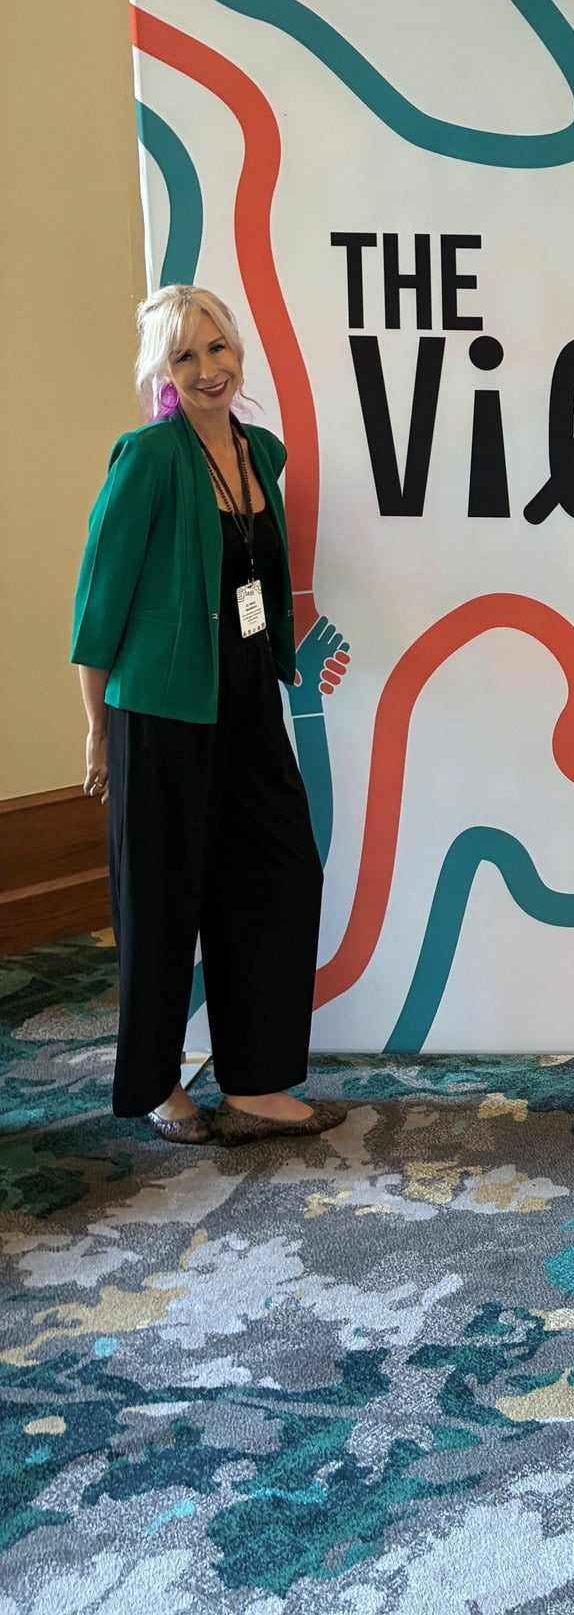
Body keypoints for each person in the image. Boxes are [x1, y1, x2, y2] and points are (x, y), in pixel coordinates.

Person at [71, 284, 346, 1146]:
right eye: (184, 356)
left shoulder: (262, 453)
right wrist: (98, 729)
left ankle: (259, 1084)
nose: (206, 369)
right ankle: (159, 1088)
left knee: (279, 872)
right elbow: (98, 607)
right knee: (161, 898)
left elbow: (259, 583)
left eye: (217, 349)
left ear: (238, 353)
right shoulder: (148, 457)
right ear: (163, 371)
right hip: (160, 707)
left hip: (248, 695)